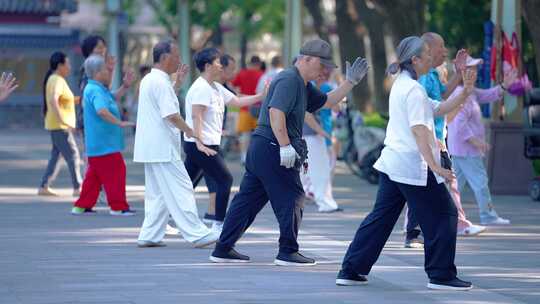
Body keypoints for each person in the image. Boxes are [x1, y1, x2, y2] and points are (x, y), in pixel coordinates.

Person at [210, 39, 368, 266]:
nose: (324, 71)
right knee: (293, 196)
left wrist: (351, 82)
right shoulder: (289, 79)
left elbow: (327, 102)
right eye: (321, 65)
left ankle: (223, 248)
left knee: (247, 201)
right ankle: (287, 251)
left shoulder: (302, 84)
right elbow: (276, 113)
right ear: (306, 59)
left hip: (263, 147)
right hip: (273, 146)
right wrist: (285, 146)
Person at [335, 36, 476, 290]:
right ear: (415, 59)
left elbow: (439, 108)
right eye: (427, 55)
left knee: (381, 218)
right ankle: (441, 275)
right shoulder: (412, 89)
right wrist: (436, 166)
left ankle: (351, 270)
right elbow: (420, 131)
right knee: (445, 214)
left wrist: (465, 91)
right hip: (410, 166)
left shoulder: (406, 84)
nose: (431, 58)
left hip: (394, 164)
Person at [134, 41, 219, 248]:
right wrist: (191, 132)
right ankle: (196, 233)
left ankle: (150, 234)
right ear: (164, 58)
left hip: (151, 146)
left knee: (159, 193)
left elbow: (163, 103)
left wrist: (177, 83)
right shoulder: (160, 82)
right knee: (181, 187)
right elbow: (171, 114)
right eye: (176, 56)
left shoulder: (150, 80)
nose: (179, 61)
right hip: (162, 146)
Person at [403, 32, 485, 248]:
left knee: (427, 188)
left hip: (437, 139)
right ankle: (417, 233)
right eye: (441, 47)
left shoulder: (431, 74)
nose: (445, 51)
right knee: (422, 188)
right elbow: (424, 111)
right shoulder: (418, 79)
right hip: (427, 142)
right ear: (427, 49)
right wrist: (432, 139)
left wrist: (459, 76)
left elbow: (443, 96)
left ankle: (427, 231)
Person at [184, 48, 267, 233]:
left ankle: (166, 217)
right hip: (200, 145)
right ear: (207, 66)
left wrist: (261, 96)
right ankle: (218, 224)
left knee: (185, 184)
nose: (220, 66)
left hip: (206, 143)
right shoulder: (201, 88)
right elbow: (196, 116)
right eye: (217, 63)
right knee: (225, 180)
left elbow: (236, 101)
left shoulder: (214, 86)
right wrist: (199, 143)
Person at [447, 55, 515, 226]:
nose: (475, 72)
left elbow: (487, 95)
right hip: (467, 150)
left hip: (460, 149)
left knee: (455, 185)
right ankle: (488, 215)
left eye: (476, 68)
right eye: (471, 68)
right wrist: (477, 143)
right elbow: (460, 125)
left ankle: (443, 213)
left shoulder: (469, 92)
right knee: (480, 183)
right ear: (461, 72)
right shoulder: (460, 93)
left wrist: (504, 86)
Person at [71, 55, 135, 216]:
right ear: (98, 72)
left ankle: (81, 205)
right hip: (104, 145)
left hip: (99, 144)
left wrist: (125, 86)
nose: (109, 72)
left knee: (94, 176)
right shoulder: (95, 90)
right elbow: (102, 111)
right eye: (106, 69)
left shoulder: (97, 88)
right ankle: (118, 207)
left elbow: (112, 97)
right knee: (116, 171)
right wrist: (120, 123)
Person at [38, 52, 82, 197]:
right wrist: (63, 120)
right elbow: (53, 100)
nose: (69, 67)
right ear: (60, 66)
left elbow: (64, 100)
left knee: (56, 156)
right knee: (73, 154)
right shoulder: (56, 79)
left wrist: (80, 99)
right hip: (59, 126)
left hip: (56, 125)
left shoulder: (57, 79)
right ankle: (78, 187)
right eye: (67, 64)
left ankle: (44, 186)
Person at [300, 67, 341, 213]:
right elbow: (336, 108)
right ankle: (322, 199)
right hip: (318, 132)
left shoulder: (310, 87)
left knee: (307, 166)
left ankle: (308, 191)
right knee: (323, 167)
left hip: (308, 132)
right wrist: (322, 132)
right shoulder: (319, 87)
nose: (322, 74)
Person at [232, 55, 264, 163]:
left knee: (245, 135)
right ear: (259, 64)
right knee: (258, 135)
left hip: (244, 108)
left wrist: (239, 94)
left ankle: (244, 157)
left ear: (250, 63)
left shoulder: (242, 73)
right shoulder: (262, 75)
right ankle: (256, 157)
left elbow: (233, 85)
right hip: (258, 109)